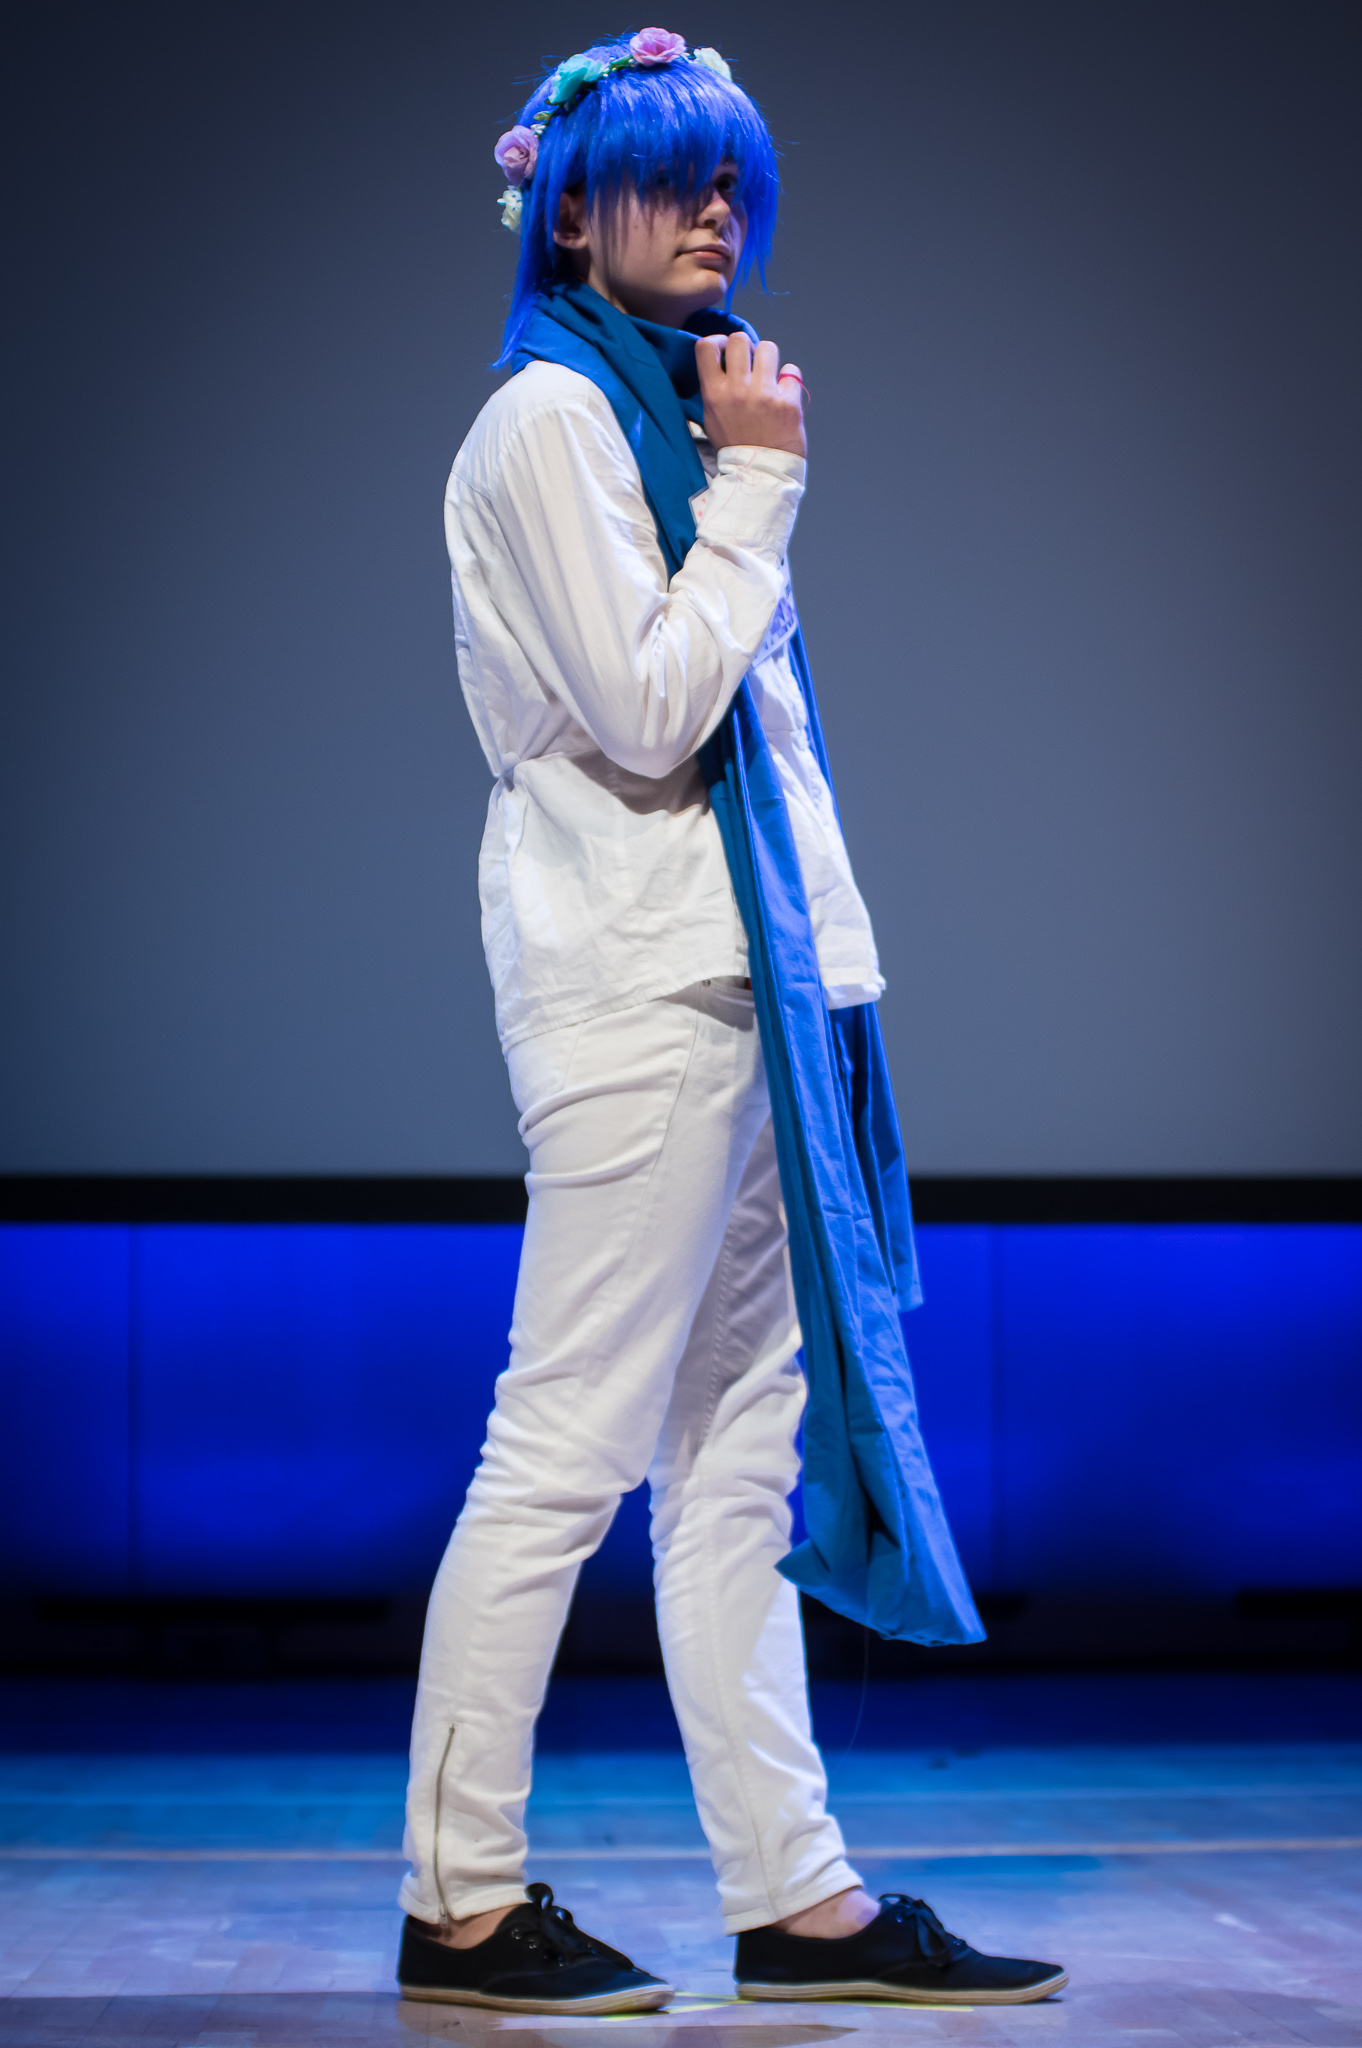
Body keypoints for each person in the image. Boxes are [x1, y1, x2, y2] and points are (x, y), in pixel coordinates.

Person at [396, 29, 1066, 2016]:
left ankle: (796, 1894)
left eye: (732, 185)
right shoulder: (549, 422)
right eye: (672, 178)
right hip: (639, 993)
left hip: (750, 999)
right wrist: (762, 484)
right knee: (564, 1445)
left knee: (731, 1473)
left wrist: (739, 475)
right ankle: (457, 1896)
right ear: (567, 214)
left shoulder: (672, 424)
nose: (713, 213)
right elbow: (648, 708)